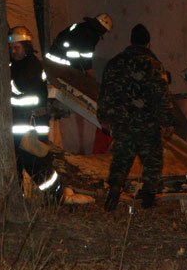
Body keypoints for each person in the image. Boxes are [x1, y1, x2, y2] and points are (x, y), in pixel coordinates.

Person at [97, 23, 174, 212]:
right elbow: (162, 96)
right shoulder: (155, 66)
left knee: (121, 160)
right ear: (148, 44)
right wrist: (168, 122)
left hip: (123, 122)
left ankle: (115, 190)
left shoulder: (115, 63)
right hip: (149, 123)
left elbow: (106, 92)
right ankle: (148, 197)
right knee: (152, 161)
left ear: (131, 41)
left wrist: (104, 118)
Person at [8, 26, 59, 194]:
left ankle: (56, 194)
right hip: (21, 122)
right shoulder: (15, 65)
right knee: (17, 161)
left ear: (26, 47)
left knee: (34, 162)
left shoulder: (32, 65)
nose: (13, 51)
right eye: (11, 48)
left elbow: (20, 87)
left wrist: (4, 79)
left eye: (17, 47)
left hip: (33, 123)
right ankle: (19, 197)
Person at [45, 13, 113, 72]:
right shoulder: (92, 35)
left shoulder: (80, 26)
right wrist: (87, 69)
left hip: (51, 56)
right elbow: (85, 54)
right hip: (62, 64)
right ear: (102, 28)